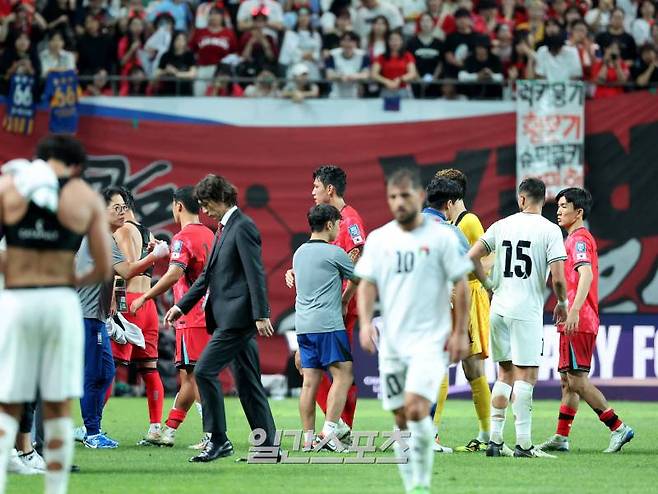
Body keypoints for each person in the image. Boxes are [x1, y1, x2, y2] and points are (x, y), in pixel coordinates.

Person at [0, 135, 113, 494]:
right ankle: (55, 489)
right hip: (60, 302)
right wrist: (72, 278)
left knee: (8, 397)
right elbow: (105, 266)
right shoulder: (85, 198)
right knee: (58, 401)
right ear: (77, 166)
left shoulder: (10, 187)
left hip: (18, 298)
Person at [356, 168, 472, 494]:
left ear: (420, 197)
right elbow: (366, 284)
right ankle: (410, 481)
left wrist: (460, 331)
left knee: (417, 407)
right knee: (400, 416)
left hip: (430, 340)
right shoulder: (380, 239)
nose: (398, 202)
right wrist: (366, 323)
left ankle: (420, 484)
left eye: (405, 195)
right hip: (393, 342)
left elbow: (461, 285)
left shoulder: (441, 238)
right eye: (393, 196)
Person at [164, 174, 277, 463]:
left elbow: (256, 273)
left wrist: (261, 313)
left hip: (237, 320)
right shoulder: (224, 229)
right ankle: (267, 449)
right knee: (249, 383)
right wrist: (181, 306)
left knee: (203, 372)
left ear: (220, 199)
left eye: (206, 204)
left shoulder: (243, 227)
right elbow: (206, 277)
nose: (204, 210)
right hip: (228, 318)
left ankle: (218, 440)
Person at [468, 177, 568, 459]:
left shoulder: (502, 225)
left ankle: (496, 442)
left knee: (505, 374)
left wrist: (488, 285)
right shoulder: (550, 230)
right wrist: (562, 302)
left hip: (498, 308)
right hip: (526, 311)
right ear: (543, 200)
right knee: (526, 376)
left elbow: (471, 255)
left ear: (521, 199)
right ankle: (524, 444)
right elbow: (559, 277)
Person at [538, 187, 634, 454]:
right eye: (557, 206)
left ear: (578, 212)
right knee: (567, 381)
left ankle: (618, 427)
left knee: (578, 380)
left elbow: (587, 275)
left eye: (564, 206)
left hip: (579, 320)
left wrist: (575, 310)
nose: (558, 211)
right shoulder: (571, 239)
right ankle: (561, 436)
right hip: (572, 316)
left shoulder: (579, 240)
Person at [75, 187, 168, 449]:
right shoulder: (120, 235)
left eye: (123, 207)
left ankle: (91, 429)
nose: (122, 211)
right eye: (116, 207)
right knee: (108, 372)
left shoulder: (109, 235)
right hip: (114, 310)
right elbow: (126, 269)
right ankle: (95, 431)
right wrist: (154, 256)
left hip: (116, 308)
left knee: (106, 371)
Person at [129, 186, 215, 448]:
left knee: (196, 377)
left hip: (191, 317)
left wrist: (146, 296)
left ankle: (212, 435)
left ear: (178, 206)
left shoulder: (183, 237)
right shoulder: (211, 235)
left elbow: (174, 274)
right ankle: (169, 429)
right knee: (190, 377)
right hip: (208, 314)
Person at [286, 165, 366, 441]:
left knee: (332, 370)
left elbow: (357, 258)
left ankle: (339, 425)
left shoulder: (349, 219)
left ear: (330, 189)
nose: (312, 193)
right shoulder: (328, 224)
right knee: (323, 368)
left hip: (339, 308)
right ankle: (336, 427)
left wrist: (344, 300)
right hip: (328, 308)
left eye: (316, 187)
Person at [426, 171, 493, 454]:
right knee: (444, 362)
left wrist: (483, 284)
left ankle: (486, 433)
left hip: (470, 296)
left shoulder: (469, 221)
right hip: (452, 296)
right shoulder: (449, 224)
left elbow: (487, 259)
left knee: (472, 367)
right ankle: (434, 431)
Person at [293, 204, 357, 452]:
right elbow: (360, 277)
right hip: (328, 324)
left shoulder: (298, 253)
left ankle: (308, 440)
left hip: (303, 326)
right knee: (344, 374)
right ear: (329, 224)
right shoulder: (335, 253)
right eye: (338, 224)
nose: (340, 228)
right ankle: (330, 431)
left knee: (309, 382)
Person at [110, 186, 166, 446]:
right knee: (149, 369)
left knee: (109, 367)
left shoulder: (123, 230)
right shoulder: (149, 232)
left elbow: (126, 271)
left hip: (129, 303)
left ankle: (92, 426)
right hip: (149, 306)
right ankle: (156, 428)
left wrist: (114, 303)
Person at [372, 30, 418, 99]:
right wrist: (386, 81)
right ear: (388, 42)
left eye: (397, 40)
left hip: (403, 90)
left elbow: (412, 73)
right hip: (386, 90)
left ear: (401, 41)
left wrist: (400, 79)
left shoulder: (407, 56)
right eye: (391, 40)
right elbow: (373, 74)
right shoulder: (381, 57)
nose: (394, 42)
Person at [325, 31, 370, 99]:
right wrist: (340, 77)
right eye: (344, 40)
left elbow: (366, 74)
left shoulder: (363, 55)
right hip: (336, 93)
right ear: (340, 42)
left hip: (355, 93)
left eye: (350, 41)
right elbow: (329, 75)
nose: (347, 44)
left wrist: (355, 76)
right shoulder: (332, 55)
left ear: (355, 43)